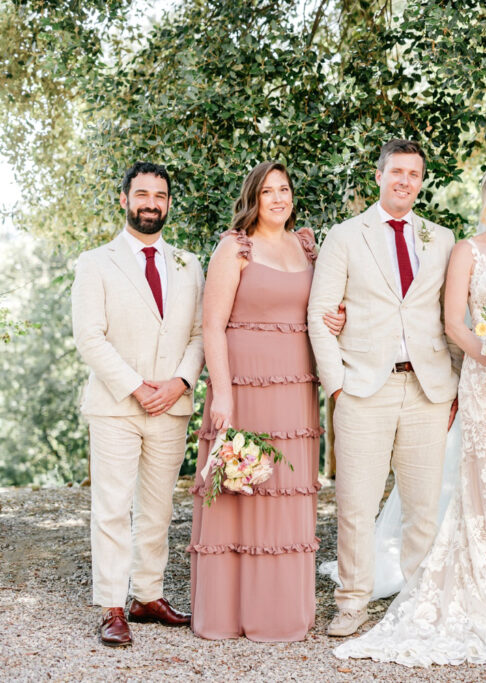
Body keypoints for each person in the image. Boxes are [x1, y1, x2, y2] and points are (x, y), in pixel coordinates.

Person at [332, 162, 486, 666]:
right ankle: (480, 583)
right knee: (482, 485)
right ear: (484, 200)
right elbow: (453, 323)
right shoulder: (465, 250)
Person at [307, 139, 462, 638]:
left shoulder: (442, 239)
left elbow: (452, 315)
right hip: (363, 389)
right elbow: (319, 314)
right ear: (379, 176)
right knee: (356, 503)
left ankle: (416, 603)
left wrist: (455, 382)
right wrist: (337, 388)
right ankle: (351, 600)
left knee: (422, 505)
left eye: (414, 174)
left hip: (427, 388)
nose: (405, 181)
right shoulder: (346, 236)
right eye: (396, 171)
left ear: (421, 181)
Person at [189, 161, 335, 642]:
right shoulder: (235, 247)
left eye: (285, 189)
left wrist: (341, 316)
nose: (278, 198)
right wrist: (223, 395)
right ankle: (228, 615)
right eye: (268, 190)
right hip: (244, 387)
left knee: (287, 492)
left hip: (295, 391)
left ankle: (280, 614)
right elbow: (212, 325)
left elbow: (321, 308)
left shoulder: (307, 246)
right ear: (253, 197)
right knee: (239, 489)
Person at [71, 162, 204, 647]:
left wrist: (180, 382)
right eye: (142, 194)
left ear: (169, 203)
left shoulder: (191, 264)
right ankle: (111, 604)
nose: (152, 202)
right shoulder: (95, 262)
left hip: (171, 405)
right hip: (115, 406)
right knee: (111, 507)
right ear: (123, 199)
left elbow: (198, 334)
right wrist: (136, 387)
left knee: (157, 508)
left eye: (160, 195)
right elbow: (89, 337)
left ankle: (147, 595)